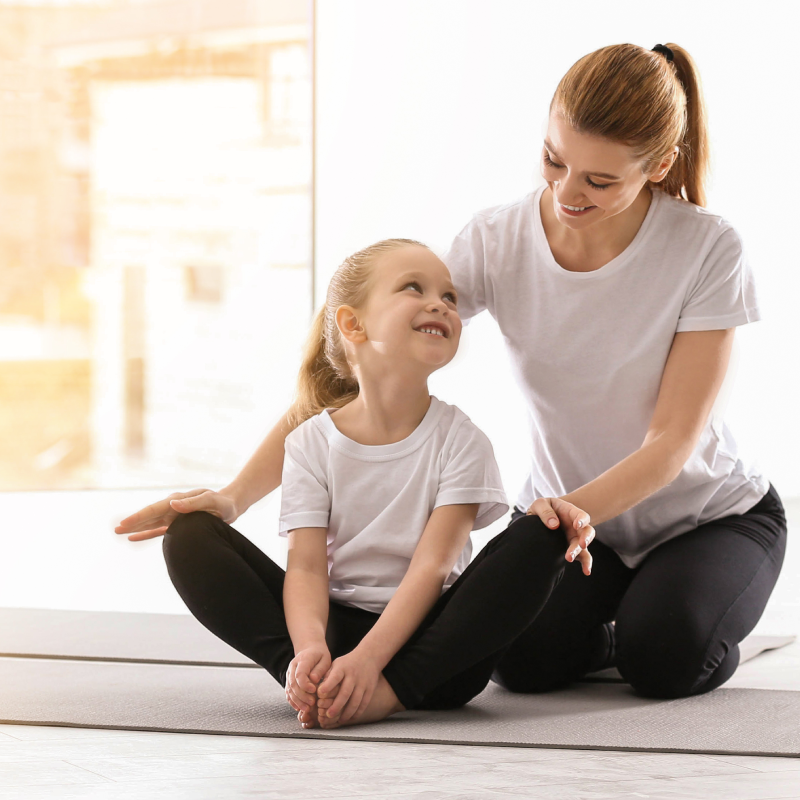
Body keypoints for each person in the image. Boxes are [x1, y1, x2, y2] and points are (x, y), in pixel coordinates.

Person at [116, 41, 787, 702]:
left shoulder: (707, 247)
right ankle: (606, 636)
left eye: (600, 180)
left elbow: (670, 444)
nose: (565, 192)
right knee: (518, 663)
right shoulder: (499, 240)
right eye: (554, 161)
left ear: (660, 164)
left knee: (665, 655)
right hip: (580, 530)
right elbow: (370, 357)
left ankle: (655, 621)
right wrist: (234, 497)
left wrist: (567, 515)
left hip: (705, 519)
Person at [124, 238, 595, 729]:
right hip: (336, 638)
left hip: (436, 661)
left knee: (542, 530)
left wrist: (373, 666)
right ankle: (304, 679)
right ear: (353, 324)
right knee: (190, 534)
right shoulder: (310, 442)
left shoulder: (463, 440)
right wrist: (309, 648)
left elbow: (432, 568)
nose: (440, 303)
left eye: (449, 297)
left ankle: (386, 695)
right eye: (414, 288)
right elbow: (306, 567)